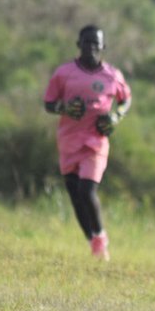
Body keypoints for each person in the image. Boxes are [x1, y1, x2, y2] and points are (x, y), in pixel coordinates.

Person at [43, 25, 132, 261]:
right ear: (78, 44)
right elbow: (49, 102)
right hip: (68, 139)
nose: (90, 47)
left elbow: (126, 100)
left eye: (95, 43)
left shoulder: (112, 76)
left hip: (96, 140)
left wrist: (115, 117)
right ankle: (92, 242)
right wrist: (64, 108)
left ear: (103, 47)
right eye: (86, 43)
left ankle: (101, 237)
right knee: (74, 194)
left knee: (87, 189)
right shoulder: (64, 73)